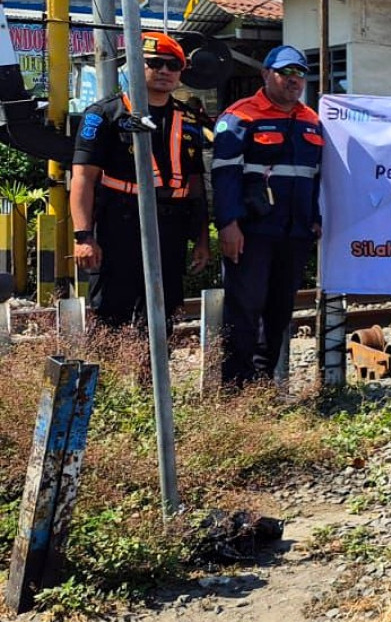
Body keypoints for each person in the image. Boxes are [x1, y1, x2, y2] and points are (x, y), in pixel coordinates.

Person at [70, 31, 210, 327]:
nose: (164, 71)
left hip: (171, 227)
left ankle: (152, 374)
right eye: (155, 62)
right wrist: (83, 236)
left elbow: (196, 185)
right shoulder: (104, 114)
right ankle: (110, 373)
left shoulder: (189, 119)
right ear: (135, 65)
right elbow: (82, 177)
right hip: (119, 224)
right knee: (111, 314)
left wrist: (201, 239)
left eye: (173, 65)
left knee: (164, 313)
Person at [212, 45, 323, 387]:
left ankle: (261, 387)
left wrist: (316, 217)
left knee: (278, 311)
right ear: (266, 74)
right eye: (285, 72)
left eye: (299, 74)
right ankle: (234, 390)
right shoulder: (240, 117)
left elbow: (318, 177)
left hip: (295, 232)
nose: (293, 80)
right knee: (244, 308)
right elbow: (224, 175)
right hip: (252, 231)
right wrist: (228, 224)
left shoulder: (312, 120)